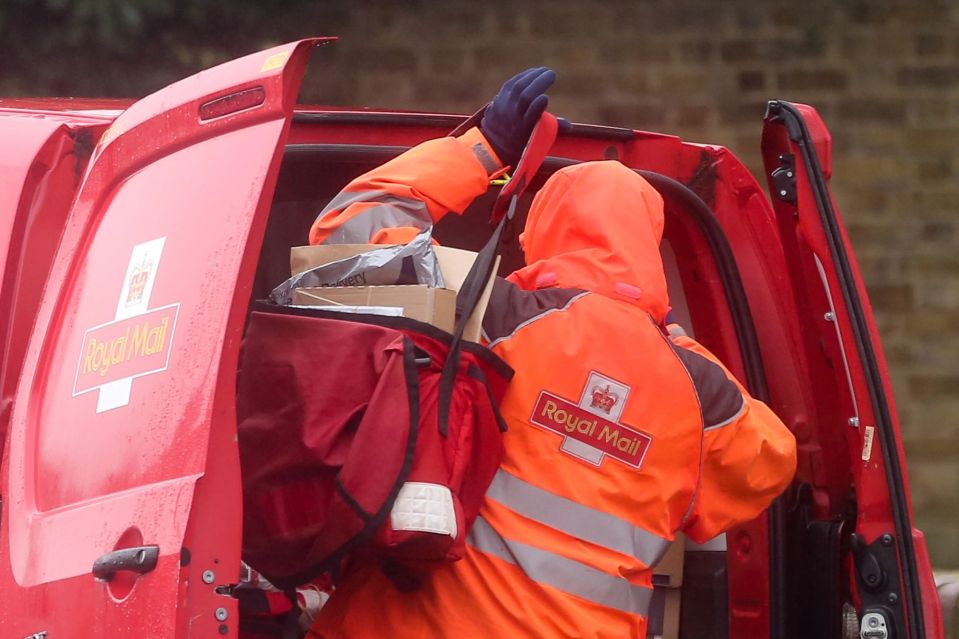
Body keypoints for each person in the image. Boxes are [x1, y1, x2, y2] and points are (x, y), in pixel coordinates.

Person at [306, 68, 797, 639]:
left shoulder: (489, 311)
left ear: (541, 234)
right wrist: (666, 337)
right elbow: (770, 462)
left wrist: (481, 150)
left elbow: (349, 237)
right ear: (648, 243)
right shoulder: (695, 388)